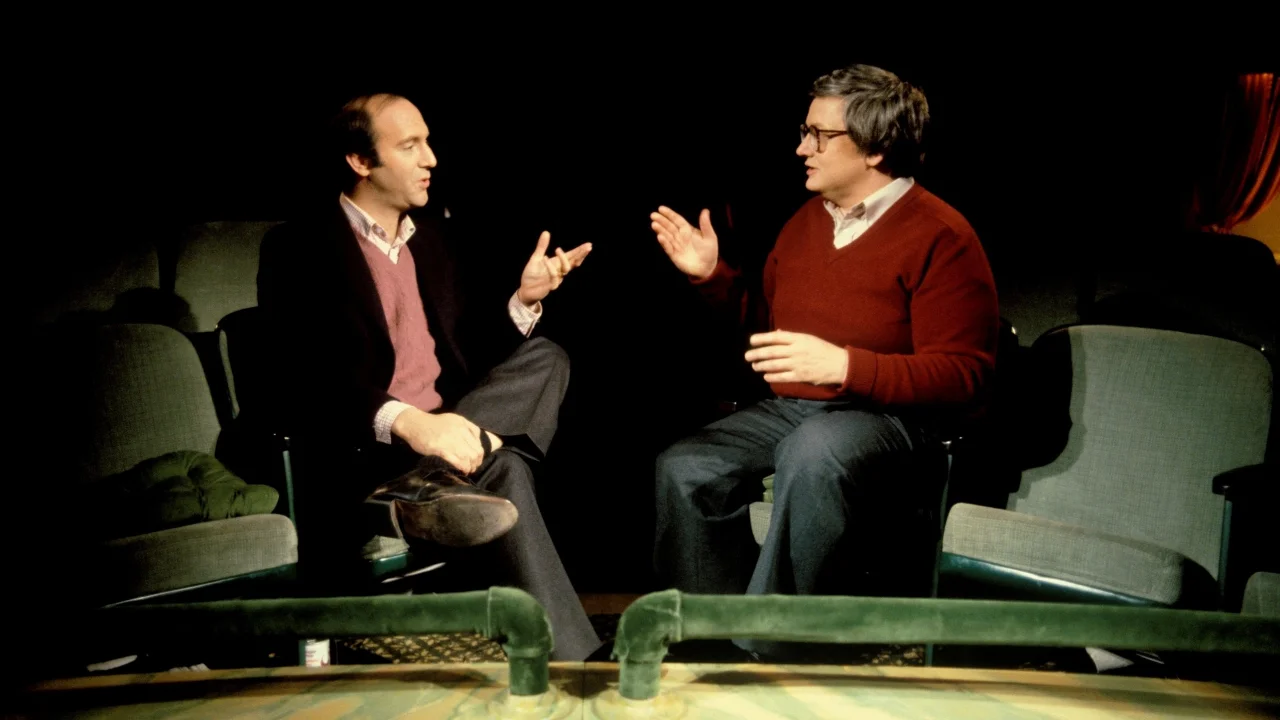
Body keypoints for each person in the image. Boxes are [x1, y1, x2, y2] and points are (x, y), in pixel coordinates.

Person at [651, 64, 999, 654]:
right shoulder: (804, 224)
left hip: (895, 422)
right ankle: (705, 638)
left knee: (815, 451)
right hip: (797, 410)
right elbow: (771, 335)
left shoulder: (942, 235)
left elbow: (966, 375)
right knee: (686, 466)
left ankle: (778, 647)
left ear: (876, 148)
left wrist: (846, 367)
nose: (801, 148)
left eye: (820, 135)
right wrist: (714, 278)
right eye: (804, 131)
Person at [257, 92, 602, 660]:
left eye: (428, 142)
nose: (431, 159)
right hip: (369, 451)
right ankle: (577, 662)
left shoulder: (434, 242)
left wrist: (523, 300)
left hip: (448, 431)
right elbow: (304, 381)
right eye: (410, 146)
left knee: (548, 357)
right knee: (508, 467)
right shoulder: (299, 248)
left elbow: (469, 361)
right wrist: (410, 422)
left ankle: (433, 480)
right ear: (360, 161)